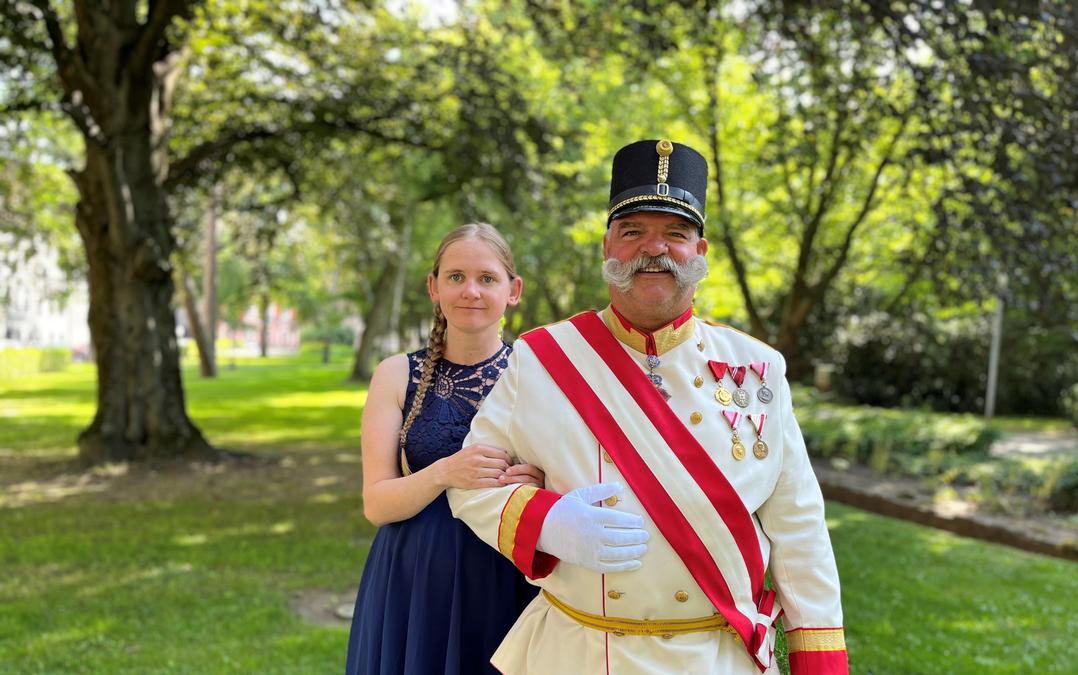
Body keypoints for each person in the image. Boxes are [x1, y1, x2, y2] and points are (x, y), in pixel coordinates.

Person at [447, 140, 849, 674]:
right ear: (607, 246)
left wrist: (818, 664)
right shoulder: (542, 359)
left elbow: (800, 531)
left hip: (715, 658)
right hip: (580, 653)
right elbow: (470, 482)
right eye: (633, 231)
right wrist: (547, 522)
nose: (652, 249)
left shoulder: (759, 368)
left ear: (700, 253)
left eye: (675, 234)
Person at [346, 223, 544, 674]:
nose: (470, 291)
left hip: (506, 571)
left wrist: (541, 483)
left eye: (487, 278)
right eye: (455, 277)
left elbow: (577, 480)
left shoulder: (539, 376)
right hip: (415, 580)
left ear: (513, 290)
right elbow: (376, 503)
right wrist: (442, 473)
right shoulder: (396, 375)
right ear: (434, 287)